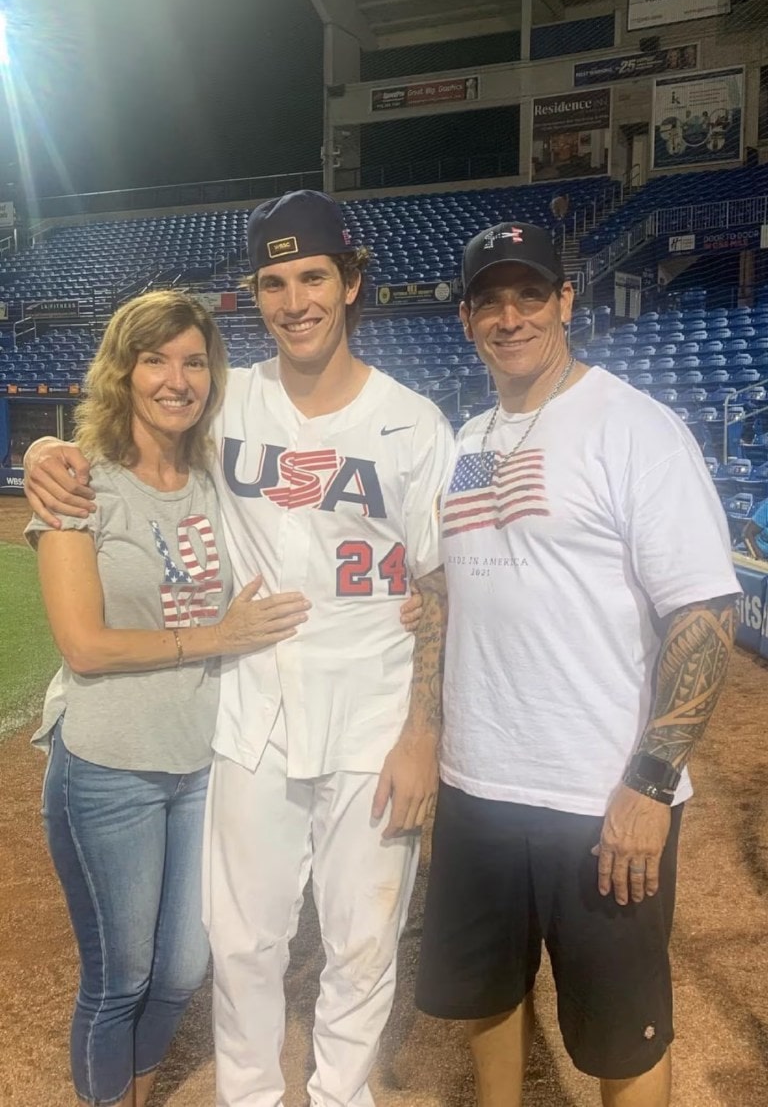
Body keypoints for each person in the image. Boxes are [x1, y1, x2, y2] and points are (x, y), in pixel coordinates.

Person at [24, 190, 453, 1107]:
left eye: (312, 277)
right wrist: (43, 454)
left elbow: (439, 582)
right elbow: (127, 432)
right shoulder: (229, 400)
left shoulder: (414, 422)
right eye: (272, 281)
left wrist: (424, 730)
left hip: (374, 720)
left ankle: (343, 1095)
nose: (294, 300)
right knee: (244, 941)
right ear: (255, 295)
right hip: (252, 712)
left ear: (352, 281)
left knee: (363, 941)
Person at [414, 221, 740, 1107]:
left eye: (530, 294)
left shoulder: (635, 426)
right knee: (488, 998)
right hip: (478, 782)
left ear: (566, 300)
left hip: (599, 794)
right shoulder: (465, 435)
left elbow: (706, 610)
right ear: (467, 318)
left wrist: (650, 783)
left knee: (619, 1032)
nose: (509, 315)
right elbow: (440, 592)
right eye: (489, 299)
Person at [25, 291, 311, 1107]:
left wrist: (400, 596)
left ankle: (135, 1094)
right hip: (109, 765)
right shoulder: (84, 486)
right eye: (155, 360)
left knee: (184, 967)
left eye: (193, 361)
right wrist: (217, 637)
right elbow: (85, 645)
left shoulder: (220, 476)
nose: (175, 380)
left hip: (200, 765)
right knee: (123, 975)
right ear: (124, 371)